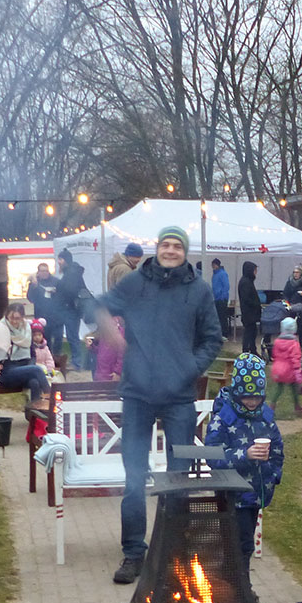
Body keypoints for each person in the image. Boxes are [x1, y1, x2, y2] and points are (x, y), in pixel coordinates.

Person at [94, 224, 224, 584]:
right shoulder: (136, 282)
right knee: (135, 479)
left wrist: (189, 369)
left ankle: (174, 549)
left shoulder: (198, 290)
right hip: (137, 393)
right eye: (165, 244)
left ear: (184, 252)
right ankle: (134, 553)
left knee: (179, 477)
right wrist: (113, 336)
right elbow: (100, 306)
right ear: (157, 248)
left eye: (176, 246)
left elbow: (214, 339)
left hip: (180, 397)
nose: (170, 250)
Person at [205, 353, 284, 578]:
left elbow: (277, 449)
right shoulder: (224, 418)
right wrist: (244, 454)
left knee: (243, 544)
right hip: (232, 494)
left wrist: (273, 475)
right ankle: (240, 591)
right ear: (237, 392)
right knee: (239, 545)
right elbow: (213, 455)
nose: (252, 402)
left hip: (256, 492)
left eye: (257, 396)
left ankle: (232, 586)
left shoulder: (266, 417)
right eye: (247, 396)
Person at [0, 302, 48, 402]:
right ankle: (53, 400)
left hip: (24, 368)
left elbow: (32, 354)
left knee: (34, 382)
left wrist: (29, 365)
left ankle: (35, 412)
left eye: (17, 318)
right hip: (7, 371)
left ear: (22, 317)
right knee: (37, 370)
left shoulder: (26, 328)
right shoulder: (2, 328)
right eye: (10, 318)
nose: (13, 321)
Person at [55, 249, 90, 371]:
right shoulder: (71, 272)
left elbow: (70, 291)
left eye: (60, 259)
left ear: (65, 260)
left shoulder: (71, 273)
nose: (58, 262)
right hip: (70, 309)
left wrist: (58, 291)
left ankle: (77, 362)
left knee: (73, 336)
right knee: (71, 335)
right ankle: (76, 361)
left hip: (71, 310)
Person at [269, 317, 302, 417]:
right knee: (294, 387)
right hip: (289, 370)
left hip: (277, 368)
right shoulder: (294, 343)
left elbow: (274, 354)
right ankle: (297, 406)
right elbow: (295, 358)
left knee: (279, 387)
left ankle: (272, 405)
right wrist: (297, 370)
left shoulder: (277, 342)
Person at [26, 263, 61, 358]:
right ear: (38, 272)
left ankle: (57, 357)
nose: (44, 273)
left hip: (56, 315)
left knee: (58, 337)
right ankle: (46, 356)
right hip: (41, 314)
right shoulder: (34, 283)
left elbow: (62, 296)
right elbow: (30, 298)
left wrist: (55, 293)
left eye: (46, 270)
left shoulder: (56, 281)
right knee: (45, 338)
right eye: (42, 271)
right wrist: (34, 286)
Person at [238, 261, 262, 355]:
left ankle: (252, 350)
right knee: (249, 332)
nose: (256, 272)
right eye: (255, 270)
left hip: (251, 313)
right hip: (249, 313)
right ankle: (246, 351)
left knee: (253, 332)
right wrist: (256, 304)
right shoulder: (245, 282)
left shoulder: (248, 281)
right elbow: (247, 298)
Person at [93, 315, 124, 384]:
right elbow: (100, 351)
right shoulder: (104, 334)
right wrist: (92, 346)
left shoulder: (119, 336)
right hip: (100, 373)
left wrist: (117, 372)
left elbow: (122, 356)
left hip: (110, 374)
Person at [211, 258, 232, 338]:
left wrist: (222, 296)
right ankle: (220, 333)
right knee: (218, 317)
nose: (213, 266)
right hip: (216, 298)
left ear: (217, 265)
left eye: (214, 265)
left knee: (222, 316)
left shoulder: (222, 274)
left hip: (221, 299)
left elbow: (226, 286)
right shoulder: (215, 274)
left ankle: (225, 333)